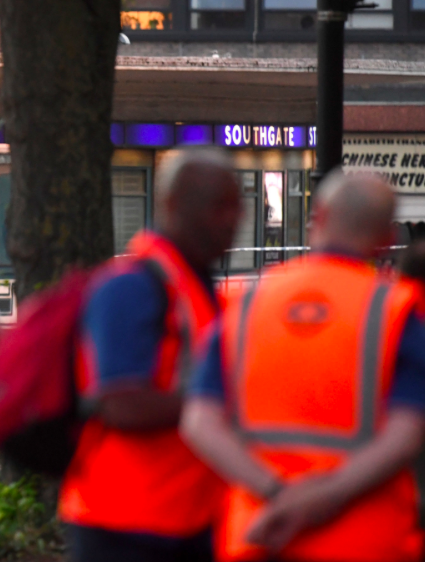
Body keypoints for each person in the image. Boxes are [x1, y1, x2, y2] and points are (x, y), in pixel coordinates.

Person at [182, 172, 425, 562]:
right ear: (385, 238)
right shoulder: (396, 310)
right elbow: (406, 435)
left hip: (260, 533)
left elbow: (199, 422)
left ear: (319, 217)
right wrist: (321, 497)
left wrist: (278, 495)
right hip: (362, 539)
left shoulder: (246, 302)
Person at [61, 149, 242, 562]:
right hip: (125, 524)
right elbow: (122, 403)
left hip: (185, 519)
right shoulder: (132, 286)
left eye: (237, 205)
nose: (232, 220)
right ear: (173, 206)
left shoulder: (194, 288)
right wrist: (223, 406)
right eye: (218, 205)